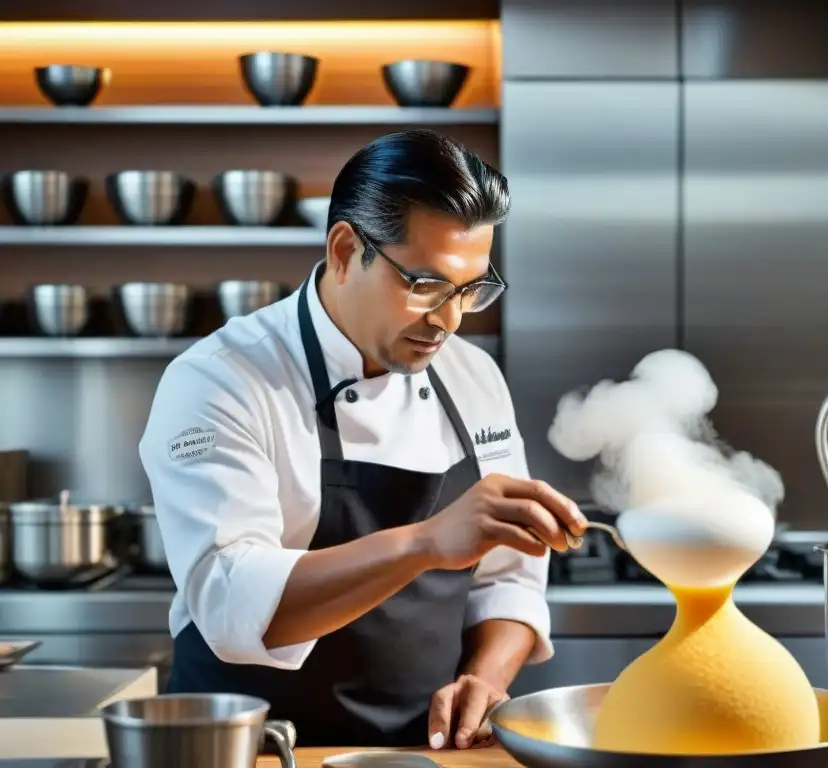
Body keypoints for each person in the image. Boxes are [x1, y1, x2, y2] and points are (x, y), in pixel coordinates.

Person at [138, 129, 586, 750]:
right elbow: (228, 599)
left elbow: (507, 577)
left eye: (469, 290)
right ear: (347, 250)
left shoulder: (473, 376)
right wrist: (427, 542)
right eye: (425, 285)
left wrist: (484, 678)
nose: (448, 321)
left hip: (421, 753)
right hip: (256, 748)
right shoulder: (218, 380)